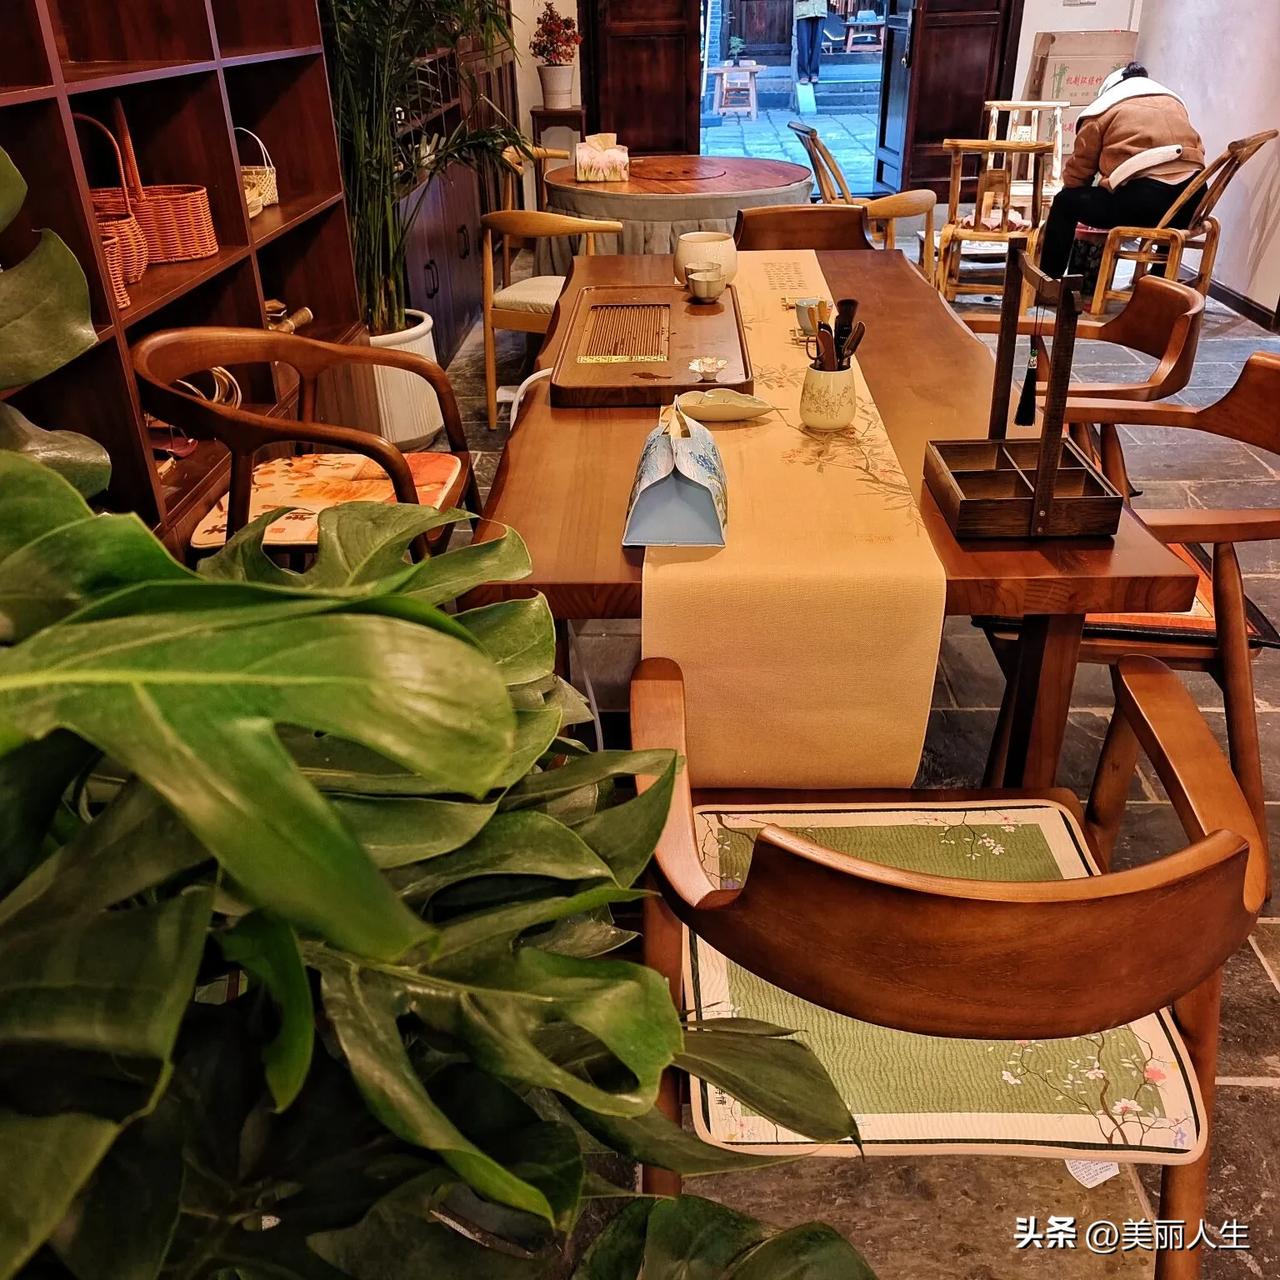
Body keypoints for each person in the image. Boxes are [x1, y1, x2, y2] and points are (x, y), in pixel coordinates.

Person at [1039, 62, 1206, 277]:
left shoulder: (1104, 110)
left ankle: (1049, 281)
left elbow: (1078, 174)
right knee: (1170, 194)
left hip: (1145, 203)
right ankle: (1159, 279)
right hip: (1194, 201)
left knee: (1065, 202)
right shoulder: (1173, 103)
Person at [795, 0, 827, 86]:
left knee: (817, 44)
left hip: (820, 10)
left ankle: (814, 73)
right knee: (803, 44)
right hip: (803, 11)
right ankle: (803, 74)